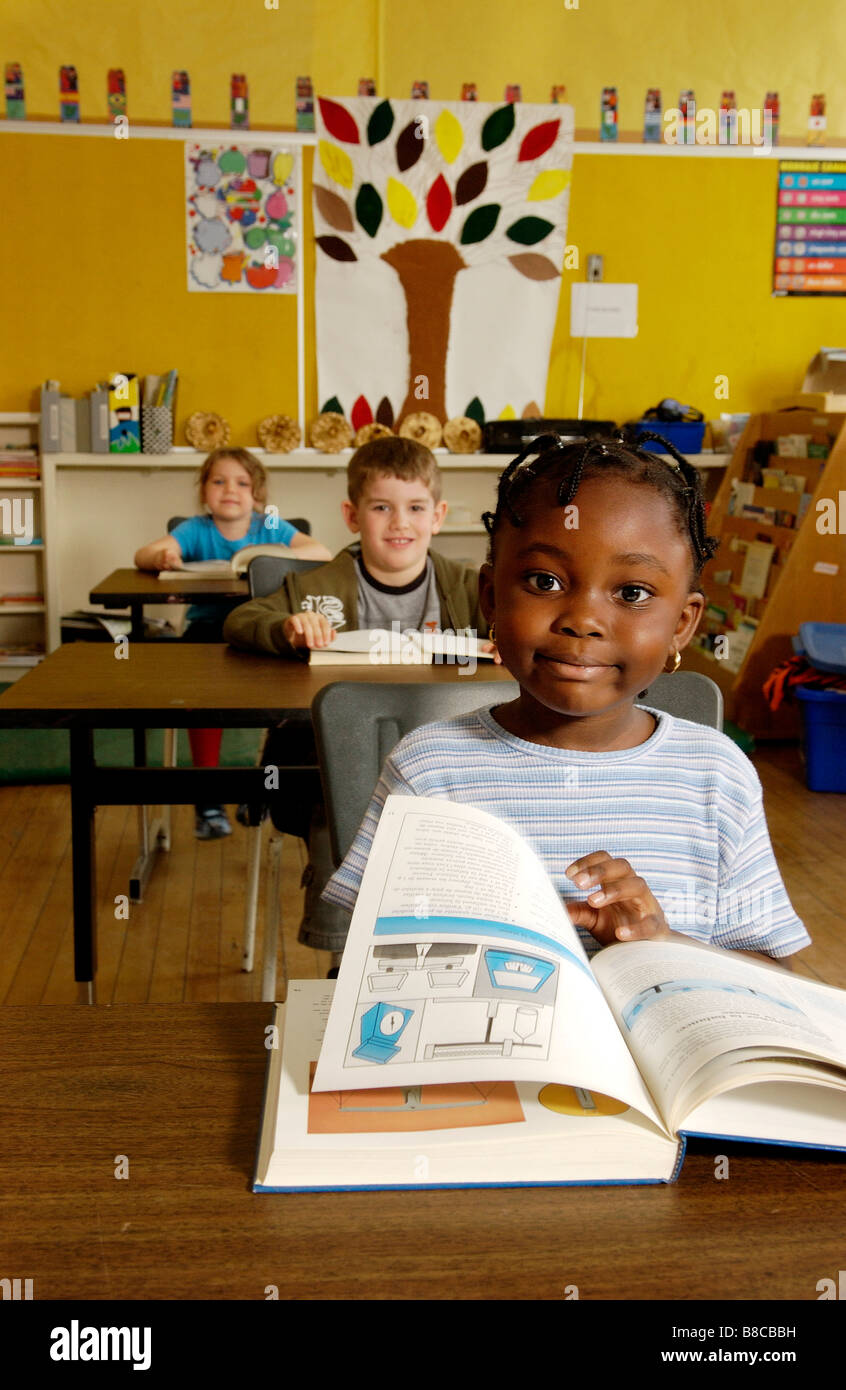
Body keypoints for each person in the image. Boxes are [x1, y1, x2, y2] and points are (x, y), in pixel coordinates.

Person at [322, 433, 810, 967]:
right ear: (490, 597)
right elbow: (373, 959)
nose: (583, 620)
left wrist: (663, 944)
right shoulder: (428, 770)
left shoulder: (717, 776)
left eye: (632, 593)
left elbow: (772, 974)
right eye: (544, 580)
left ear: (682, 624)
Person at [223, 435, 490, 967]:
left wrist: (506, 640)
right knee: (347, 803)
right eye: (381, 508)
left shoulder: (469, 586)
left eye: (415, 508)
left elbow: (524, 631)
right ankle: (346, 960)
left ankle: (447, 953)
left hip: (445, 761)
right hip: (335, 763)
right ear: (351, 515)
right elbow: (241, 621)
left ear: (437, 516)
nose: (400, 523)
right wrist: (288, 629)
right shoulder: (315, 585)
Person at [134, 447, 331, 839]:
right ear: (204, 490)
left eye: (242, 483)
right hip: (207, 636)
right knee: (201, 702)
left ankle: (260, 786)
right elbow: (143, 554)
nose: (230, 490)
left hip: (264, 633)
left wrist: (271, 556)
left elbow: (321, 553)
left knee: (291, 698)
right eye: (219, 481)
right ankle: (208, 795)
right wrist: (164, 554)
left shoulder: (269, 524)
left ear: (257, 495)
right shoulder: (196, 528)